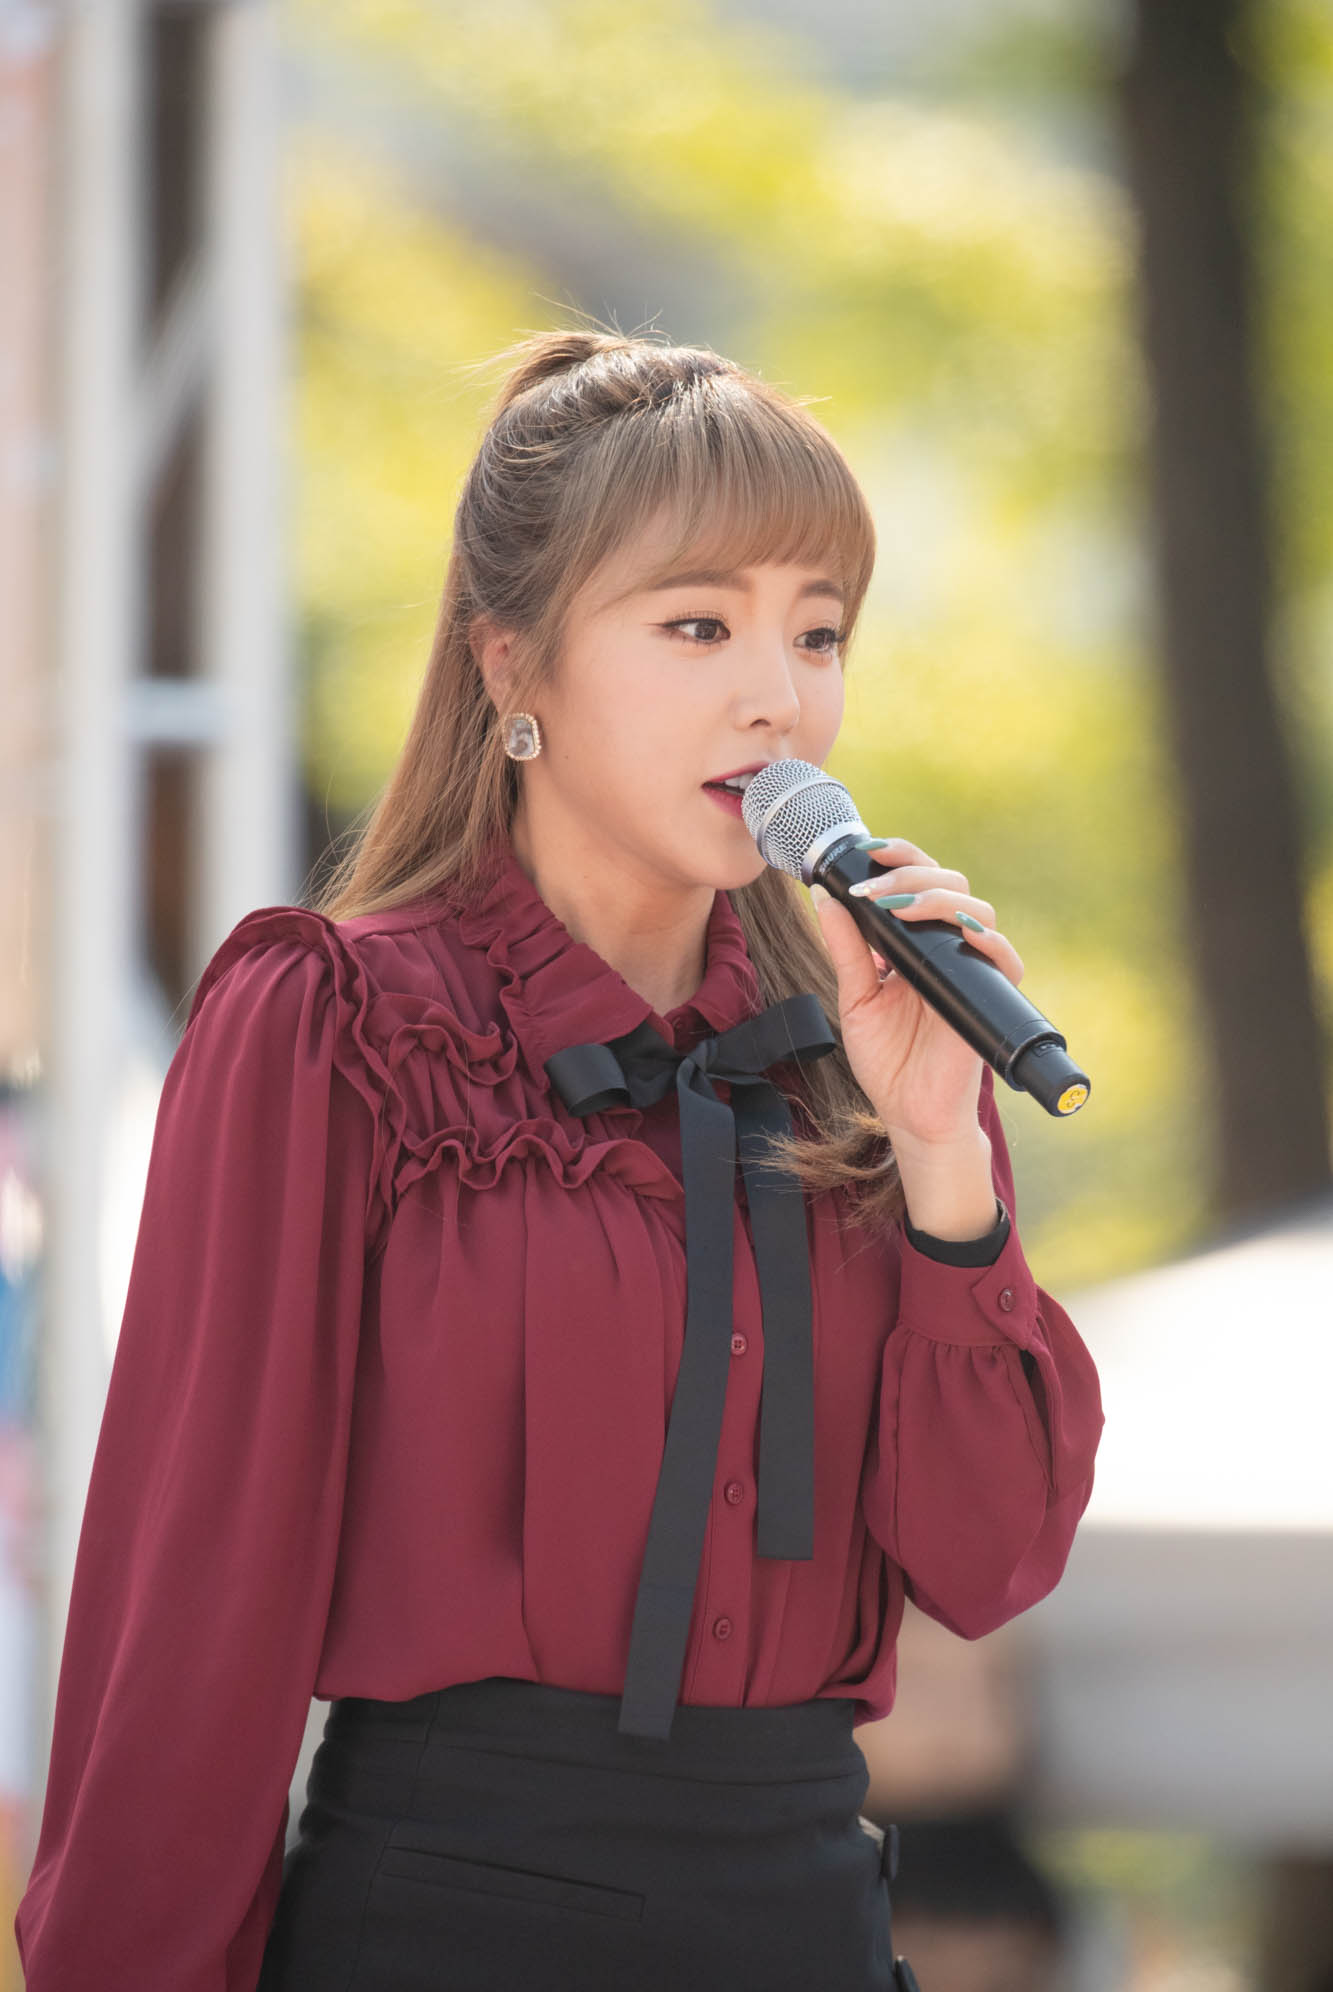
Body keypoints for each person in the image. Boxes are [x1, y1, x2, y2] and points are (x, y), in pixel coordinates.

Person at [14, 326, 1105, 1991]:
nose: (778, 692)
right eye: (698, 625)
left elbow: (988, 1560)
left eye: (817, 632)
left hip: (807, 1924)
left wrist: (944, 1153)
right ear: (510, 664)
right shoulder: (337, 1026)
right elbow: (194, 1606)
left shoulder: (877, 1052)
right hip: (449, 1927)